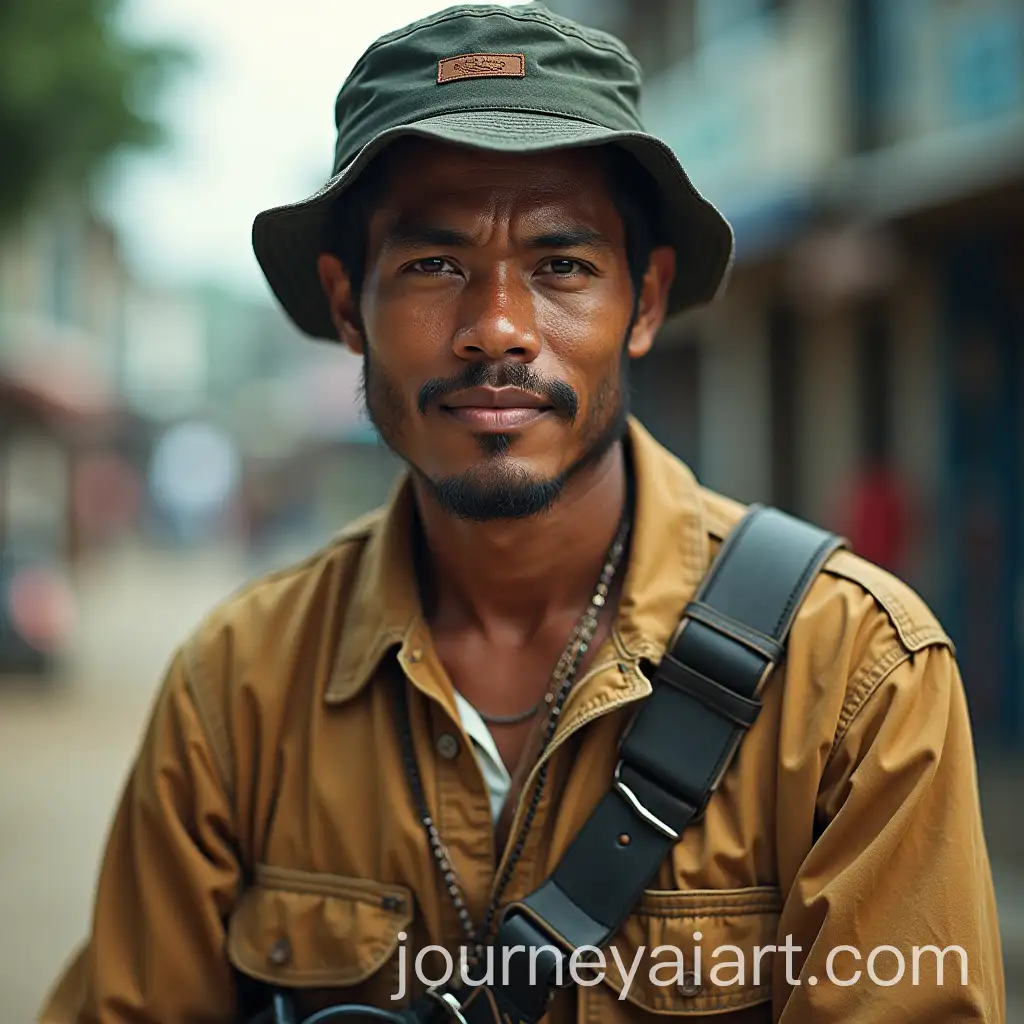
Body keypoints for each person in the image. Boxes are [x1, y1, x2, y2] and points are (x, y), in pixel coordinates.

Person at [38, 4, 1005, 1022]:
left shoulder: (854, 676)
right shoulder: (238, 686)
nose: (495, 329)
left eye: (561, 266)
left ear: (642, 301)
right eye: (432, 265)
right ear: (343, 305)